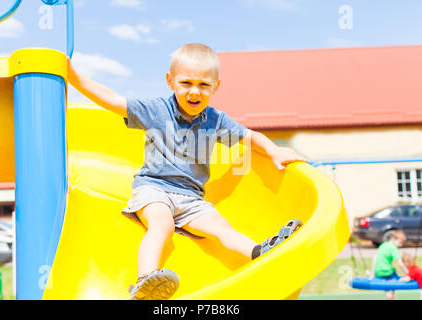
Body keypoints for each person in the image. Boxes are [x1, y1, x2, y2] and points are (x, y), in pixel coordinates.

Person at [67, 43, 308, 300]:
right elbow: (113, 101)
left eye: (204, 84)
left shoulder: (216, 120)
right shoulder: (157, 110)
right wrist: (73, 76)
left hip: (192, 198)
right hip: (154, 189)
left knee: (221, 227)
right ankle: (145, 282)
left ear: (216, 86)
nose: (195, 91)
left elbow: (248, 137)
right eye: (186, 83)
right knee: (162, 224)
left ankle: (262, 253)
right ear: (170, 81)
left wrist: (274, 151)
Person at [370, 229, 408, 300]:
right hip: (387, 272)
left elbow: (374, 258)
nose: (401, 245)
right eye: (400, 242)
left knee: (384, 282)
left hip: (378, 272)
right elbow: (400, 264)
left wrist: (372, 273)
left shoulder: (383, 245)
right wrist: (408, 273)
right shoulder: (393, 248)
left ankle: (388, 294)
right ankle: (393, 295)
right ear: (394, 239)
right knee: (395, 277)